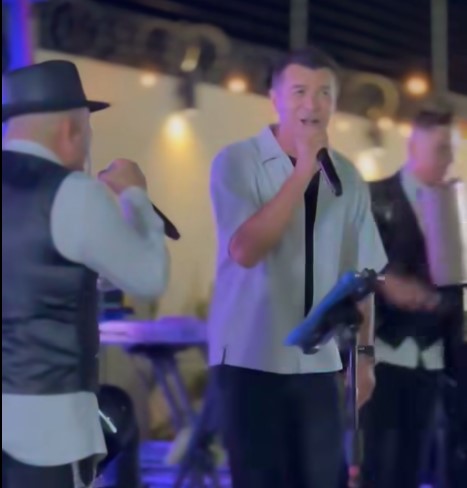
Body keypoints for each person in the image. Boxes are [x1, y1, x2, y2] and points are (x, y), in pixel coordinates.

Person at [207, 46, 436, 488]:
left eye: (324, 93)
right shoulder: (236, 162)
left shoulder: (347, 176)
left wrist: (364, 358)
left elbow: (363, 275)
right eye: (299, 91)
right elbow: (245, 250)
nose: (311, 104)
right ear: (274, 98)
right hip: (249, 358)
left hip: (318, 363)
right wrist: (302, 174)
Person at [2, 60, 170, 488]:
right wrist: (136, 197)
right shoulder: (72, 193)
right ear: (71, 131)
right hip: (48, 427)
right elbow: (149, 277)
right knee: (119, 413)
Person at [362, 108, 464, 488]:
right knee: (378, 468)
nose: (448, 160)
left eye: (451, 150)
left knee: (414, 469)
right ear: (413, 146)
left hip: (434, 357)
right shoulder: (372, 198)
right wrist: (384, 282)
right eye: (441, 149)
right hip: (382, 355)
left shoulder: (456, 206)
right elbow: (342, 265)